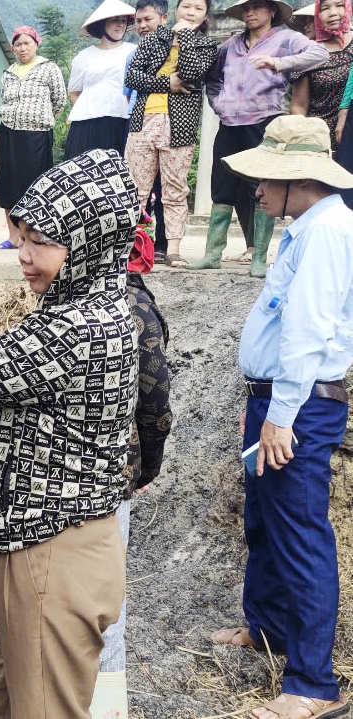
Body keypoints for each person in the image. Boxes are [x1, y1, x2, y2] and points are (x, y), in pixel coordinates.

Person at [0, 148, 138, 717]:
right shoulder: (83, 306)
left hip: (54, 553)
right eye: (22, 238)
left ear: (88, 244)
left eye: (42, 243)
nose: (25, 256)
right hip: (43, 547)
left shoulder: (82, 324)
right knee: (11, 706)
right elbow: (40, 405)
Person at [209, 114, 353, 719]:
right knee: (265, 521)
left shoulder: (327, 233)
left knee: (299, 535)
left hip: (298, 403)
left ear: (300, 179)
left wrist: (282, 414)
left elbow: (309, 331)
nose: (258, 189)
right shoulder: (308, 228)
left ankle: (313, 685)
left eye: (267, 179)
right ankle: (267, 627)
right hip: (275, 398)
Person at [90, 209, 174, 718]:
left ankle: (102, 706)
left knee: (98, 606)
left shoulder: (80, 296)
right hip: (111, 477)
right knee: (105, 603)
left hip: (96, 478)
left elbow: (154, 402)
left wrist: (144, 467)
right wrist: (147, 467)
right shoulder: (133, 303)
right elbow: (156, 404)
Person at [195, 0, 327, 277]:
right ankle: (212, 253)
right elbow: (213, 79)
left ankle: (259, 256)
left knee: (261, 186)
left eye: (257, 7)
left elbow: (320, 54)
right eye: (246, 9)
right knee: (222, 184)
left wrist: (279, 63)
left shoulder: (285, 39)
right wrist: (219, 104)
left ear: (272, 11)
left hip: (265, 120)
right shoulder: (230, 45)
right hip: (229, 121)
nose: (250, 12)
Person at [124, 0, 217, 268]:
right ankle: (134, 247)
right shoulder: (154, 39)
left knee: (175, 189)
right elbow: (132, 77)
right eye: (186, 6)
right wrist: (168, 83)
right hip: (143, 122)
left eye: (198, 9)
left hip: (180, 126)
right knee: (136, 189)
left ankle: (173, 250)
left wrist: (185, 35)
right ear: (176, 10)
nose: (191, 12)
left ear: (205, 15)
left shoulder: (206, 45)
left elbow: (191, 73)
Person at [0, 26, 66, 249]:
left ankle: (33, 237)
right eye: (18, 44)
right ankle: (13, 237)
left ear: (36, 44)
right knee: (8, 183)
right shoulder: (8, 73)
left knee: (34, 185)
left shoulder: (48, 68)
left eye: (27, 43)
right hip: (9, 132)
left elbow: (59, 100)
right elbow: (4, 98)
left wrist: (41, 118)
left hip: (37, 135)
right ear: (13, 48)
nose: (22, 48)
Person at [125, 0, 170, 262]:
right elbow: (129, 87)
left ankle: (162, 243)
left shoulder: (173, 47)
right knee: (137, 188)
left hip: (167, 122)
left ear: (163, 18)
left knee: (165, 189)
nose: (142, 26)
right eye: (138, 21)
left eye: (148, 19)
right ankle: (138, 245)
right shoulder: (133, 54)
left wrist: (152, 82)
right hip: (137, 121)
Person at [65, 0, 137, 159]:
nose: (121, 24)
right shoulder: (84, 56)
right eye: (115, 20)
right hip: (86, 125)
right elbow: (74, 93)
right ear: (102, 24)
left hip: (122, 121)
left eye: (124, 20)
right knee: (83, 169)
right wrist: (92, 111)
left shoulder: (134, 52)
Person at [292, 0, 353, 150]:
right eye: (325, 8)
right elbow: (299, 106)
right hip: (320, 141)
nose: (333, 13)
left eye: (339, 5)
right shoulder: (307, 55)